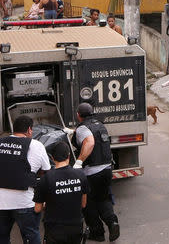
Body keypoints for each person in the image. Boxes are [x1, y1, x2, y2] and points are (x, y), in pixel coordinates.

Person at [0, 115, 51, 243]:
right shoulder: (36, 145)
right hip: (23, 200)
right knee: (31, 236)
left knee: (1, 238)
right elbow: (46, 170)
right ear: (29, 130)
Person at [71, 103, 120, 242]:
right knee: (103, 199)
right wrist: (71, 131)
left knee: (88, 204)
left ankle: (97, 233)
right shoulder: (99, 124)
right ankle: (112, 223)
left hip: (91, 172)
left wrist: (79, 161)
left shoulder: (82, 128)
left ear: (78, 115)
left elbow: (90, 142)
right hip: (106, 170)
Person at [33, 142, 89, 244]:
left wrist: (47, 203)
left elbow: (37, 209)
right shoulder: (81, 175)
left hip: (54, 229)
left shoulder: (45, 179)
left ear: (53, 158)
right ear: (68, 156)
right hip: (75, 227)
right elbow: (83, 204)